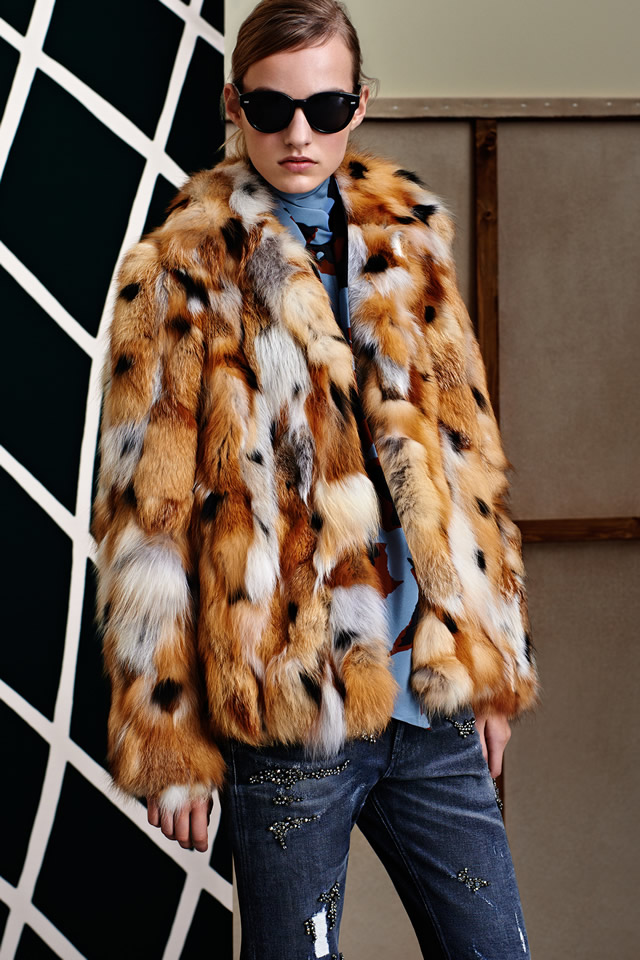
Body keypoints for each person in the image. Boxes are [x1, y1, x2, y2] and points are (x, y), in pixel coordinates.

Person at [93, 1, 538, 956]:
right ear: (233, 105)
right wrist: (167, 739)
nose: (299, 133)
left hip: (429, 703)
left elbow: (467, 461)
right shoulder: (178, 272)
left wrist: (494, 662)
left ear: (360, 105)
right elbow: (145, 520)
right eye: (272, 107)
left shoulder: (412, 244)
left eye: (326, 107)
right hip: (289, 710)